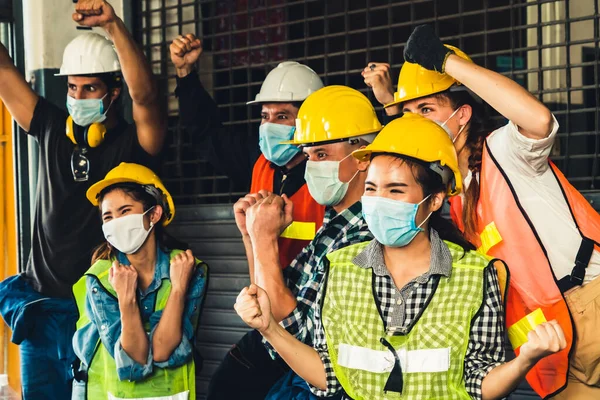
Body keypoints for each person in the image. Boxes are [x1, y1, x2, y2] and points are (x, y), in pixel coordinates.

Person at [235, 113, 567, 400]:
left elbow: (478, 384)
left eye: (395, 190)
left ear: (435, 200)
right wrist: (270, 330)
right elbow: (329, 374)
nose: (379, 201)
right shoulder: (339, 267)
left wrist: (526, 359)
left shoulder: (474, 274)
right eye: (371, 189)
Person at [370, 24, 600, 399]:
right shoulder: (449, 188)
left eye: (427, 109)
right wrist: (390, 105)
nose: (417, 121)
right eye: (410, 113)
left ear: (462, 115)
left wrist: (446, 62)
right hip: (547, 337)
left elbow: (539, 120)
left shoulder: (504, 151)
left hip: (589, 303)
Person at [0, 1, 166, 398]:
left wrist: (113, 26)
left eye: (89, 87)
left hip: (99, 309)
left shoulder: (133, 143)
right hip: (40, 307)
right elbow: (4, 73)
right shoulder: (53, 127)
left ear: (113, 92)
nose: (77, 96)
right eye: (72, 87)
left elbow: (145, 98)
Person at [207, 86, 379, 399]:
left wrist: (263, 238)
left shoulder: (365, 236)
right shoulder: (333, 225)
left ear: (362, 158)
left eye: (323, 154)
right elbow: (267, 299)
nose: (312, 166)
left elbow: (295, 332)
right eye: (309, 155)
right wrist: (252, 235)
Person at [171, 34, 325, 269]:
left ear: (309, 121)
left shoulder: (330, 172)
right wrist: (185, 73)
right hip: (266, 292)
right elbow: (205, 133)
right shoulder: (257, 161)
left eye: (282, 116)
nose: (269, 125)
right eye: (265, 116)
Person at [71, 163, 207, 400]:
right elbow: (135, 360)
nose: (116, 222)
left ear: (154, 214)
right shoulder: (100, 278)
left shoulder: (188, 268)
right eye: (108, 216)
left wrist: (178, 289)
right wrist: (126, 298)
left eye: (125, 211)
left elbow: (165, 350)